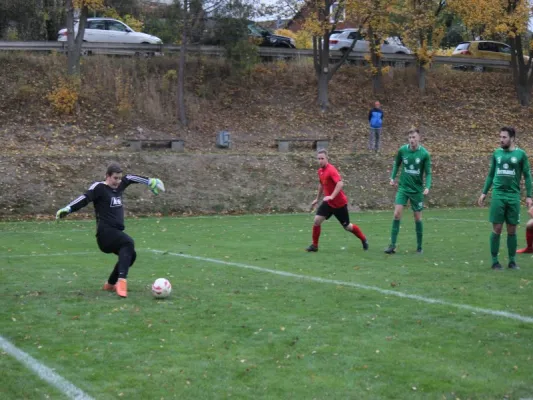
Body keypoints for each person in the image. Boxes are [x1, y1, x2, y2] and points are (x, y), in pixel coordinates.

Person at [55, 163, 166, 297]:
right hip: (105, 234)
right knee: (128, 243)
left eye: (119, 178)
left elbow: (129, 178)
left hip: (116, 233)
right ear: (107, 176)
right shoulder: (99, 187)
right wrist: (68, 208)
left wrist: (149, 181)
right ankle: (122, 282)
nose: (118, 181)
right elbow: (85, 198)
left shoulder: (119, 185)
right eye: (115, 178)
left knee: (131, 255)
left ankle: (110, 284)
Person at [478, 127, 532, 270]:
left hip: (513, 196)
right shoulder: (497, 153)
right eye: (500, 137)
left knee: (512, 229)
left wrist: (529, 196)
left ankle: (512, 261)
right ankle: (495, 261)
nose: (501, 140)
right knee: (497, 228)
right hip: (498, 195)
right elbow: (491, 174)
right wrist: (484, 192)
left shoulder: (521, 155)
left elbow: (527, 176)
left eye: (504, 137)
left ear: (512, 138)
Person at [306, 149, 368, 252]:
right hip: (328, 203)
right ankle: (314, 246)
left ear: (327, 159)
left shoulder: (331, 170)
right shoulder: (320, 171)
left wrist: (331, 196)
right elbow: (321, 184)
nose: (320, 160)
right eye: (319, 159)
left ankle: (363, 239)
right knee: (317, 221)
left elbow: (340, 183)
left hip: (339, 204)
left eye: (322, 158)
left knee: (347, 227)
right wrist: (317, 199)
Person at [385, 128, 432, 254]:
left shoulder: (424, 154)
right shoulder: (402, 150)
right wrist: (392, 177)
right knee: (396, 214)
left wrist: (427, 186)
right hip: (403, 188)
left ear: (419, 138)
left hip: (417, 190)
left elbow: (428, 173)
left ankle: (419, 247)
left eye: (414, 137)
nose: (412, 140)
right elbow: (397, 164)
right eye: (410, 137)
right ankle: (392, 245)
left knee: (417, 218)